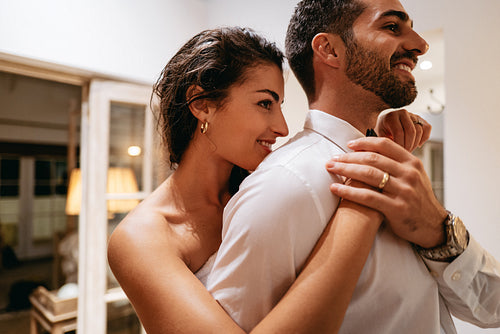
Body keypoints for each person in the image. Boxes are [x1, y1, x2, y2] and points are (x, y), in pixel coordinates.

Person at [107, 26, 429, 333]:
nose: (282, 127)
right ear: (201, 104)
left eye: (279, 105)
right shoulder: (141, 238)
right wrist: (368, 196)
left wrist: (375, 133)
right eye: (264, 103)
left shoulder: (267, 185)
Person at [205, 0, 500, 333]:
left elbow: (492, 308)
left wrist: (439, 230)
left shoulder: (398, 166)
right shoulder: (282, 185)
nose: (420, 44)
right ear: (330, 49)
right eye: (391, 26)